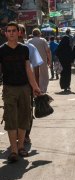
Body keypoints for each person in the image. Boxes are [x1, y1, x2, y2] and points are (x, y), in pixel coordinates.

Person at [0, 21, 41, 163]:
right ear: (5, 34)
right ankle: (13, 150)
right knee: (11, 118)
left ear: (19, 33)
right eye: (8, 30)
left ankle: (21, 146)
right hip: (9, 88)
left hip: (24, 88)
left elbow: (28, 69)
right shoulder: (1, 50)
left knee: (24, 116)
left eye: (13, 30)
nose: (11, 33)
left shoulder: (24, 49)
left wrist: (35, 86)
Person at [18, 24, 44, 144]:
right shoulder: (5, 48)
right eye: (11, 31)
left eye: (17, 31)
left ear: (22, 33)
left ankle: (26, 134)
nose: (14, 34)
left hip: (28, 84)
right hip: (12, 84)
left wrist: (36, 87)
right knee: (14, 111)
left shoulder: (30, 47)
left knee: (27, 110)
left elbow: (36, 67)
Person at [28, 28, 51, 93]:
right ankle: (43, 89)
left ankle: (35, 88)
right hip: (42, 61)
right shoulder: (43, 40)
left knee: (33, 75)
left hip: (32, 61)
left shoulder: (29, 41)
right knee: (44, 75)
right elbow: (48, 51)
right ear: (39, 33)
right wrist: (49, 60)